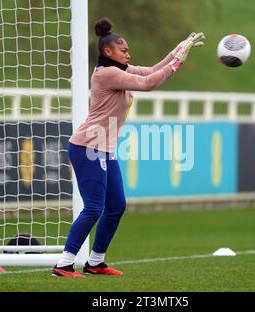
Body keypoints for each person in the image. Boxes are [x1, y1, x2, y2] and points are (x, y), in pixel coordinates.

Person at [52, 17, 205, 278]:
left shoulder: (119, 70)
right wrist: (178, 62)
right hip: (88, 147)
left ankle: (95, 262)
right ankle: (64, 264)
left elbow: (152, 70)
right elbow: (148, 84)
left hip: (104, 149)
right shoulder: (108, 73)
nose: (128, 54)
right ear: (107, 51)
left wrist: (178, 50)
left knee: (117, 206)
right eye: (124, 50)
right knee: (93, 208)